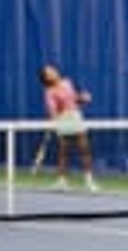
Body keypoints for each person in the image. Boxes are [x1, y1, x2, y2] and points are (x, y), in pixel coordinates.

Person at [38, 63, 97, 191]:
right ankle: (62, 181)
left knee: (85, 149)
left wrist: (82, 98)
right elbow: (53, 110)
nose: (54, 72)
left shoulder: (67, 82)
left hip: (75, 117)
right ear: (47, 78)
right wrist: (56, 116)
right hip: (63, 119)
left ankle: (89, 181)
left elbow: (74, 99)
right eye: (49, 72)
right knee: (64, 152)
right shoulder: (49, 92)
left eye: (53, 70)